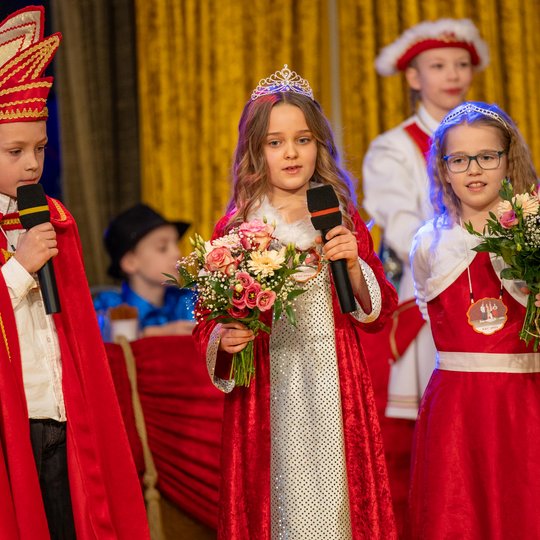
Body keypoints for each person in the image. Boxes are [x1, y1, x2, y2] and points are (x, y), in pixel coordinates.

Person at [193, 65, 399, 539]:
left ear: (319, 146)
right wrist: (225, 339)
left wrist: (351, 264)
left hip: (333, 380)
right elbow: (208, 320)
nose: (291, 152)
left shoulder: (340, 214)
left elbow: (376, 310)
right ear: (256, 151)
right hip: (268, 385)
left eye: (303, 140)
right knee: (276, 502)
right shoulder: (237, 227)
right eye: (275, 142)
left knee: (337, 503)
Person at [0, 7, 149, 539]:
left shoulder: (55, 217)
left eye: (39, 148)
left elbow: (78, 325)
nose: (32, 163)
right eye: (15, 151)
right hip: (10, 419)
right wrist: (18, 270)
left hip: (60, 408)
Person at [409, 101, 540, 539]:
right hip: (458, 409)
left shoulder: (532, 232)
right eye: (459, 159)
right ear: (443, 170)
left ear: (508, 160)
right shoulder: (429, 243)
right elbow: (432, 312)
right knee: (459, 512)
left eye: (487, 156)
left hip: (525, 399)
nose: (474, 169)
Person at [362, 19, 490, 419]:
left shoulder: (496, 136)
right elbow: (403, 230)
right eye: (438, 66)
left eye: (461, 64)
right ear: (413, 77)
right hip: (433, 291)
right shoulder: (393, 147)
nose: (453, 75)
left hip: (501, 282)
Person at [93, 203, 196, 338]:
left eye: (176, 244)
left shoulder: (188, 302)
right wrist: (154, 334)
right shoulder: (109, 307)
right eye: (162, 247)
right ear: (130, 262)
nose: (177, 253)